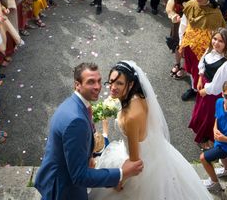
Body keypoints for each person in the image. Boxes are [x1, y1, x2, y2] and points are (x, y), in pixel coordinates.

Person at [90, 61, 210, 199]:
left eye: (119, 83)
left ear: (131, 84)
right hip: (154, 151)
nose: (113, 87)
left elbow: (135, 162)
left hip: (139, 163)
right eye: (111, 82)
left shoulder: (130, 117)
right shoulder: (139, 97)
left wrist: (119, 180)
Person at [34, 62, 142, 199]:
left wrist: (88, 157)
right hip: (64, 190)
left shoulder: (74, 104)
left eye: (99, 81)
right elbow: (79, 177)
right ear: (77, 84)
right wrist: (121, 173)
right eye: (91, 82)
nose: (97, 87)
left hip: (54, 176)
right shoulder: (76, 121)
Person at [189, 29, 227, 148]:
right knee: (201, 110)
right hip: (205, 85)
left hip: (212, 94)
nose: (216, 43)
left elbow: (218, 85)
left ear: (226, 43)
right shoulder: (210, 50)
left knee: (209, 115)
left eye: (220, 41)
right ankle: (201, 131)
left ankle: (207, 137)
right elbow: (202, 64)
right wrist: (200, 78)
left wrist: (205, 90)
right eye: (215, 39)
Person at [178, 0, 226, 101]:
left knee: (200, 71)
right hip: (188, 44)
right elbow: (184, 25)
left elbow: (220, 32)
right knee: (190, 68)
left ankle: (199, 90)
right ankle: (194, 87)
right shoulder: (190, 5)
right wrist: (181, 42)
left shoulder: (215, 12)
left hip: (204, 50)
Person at [166, 0, 193, 78]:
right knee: (177, 45)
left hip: (190, 27)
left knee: (187, 48)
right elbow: (169, 9)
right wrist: (174, 16)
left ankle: (185, 68)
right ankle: (177, 64)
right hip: (177, 25)